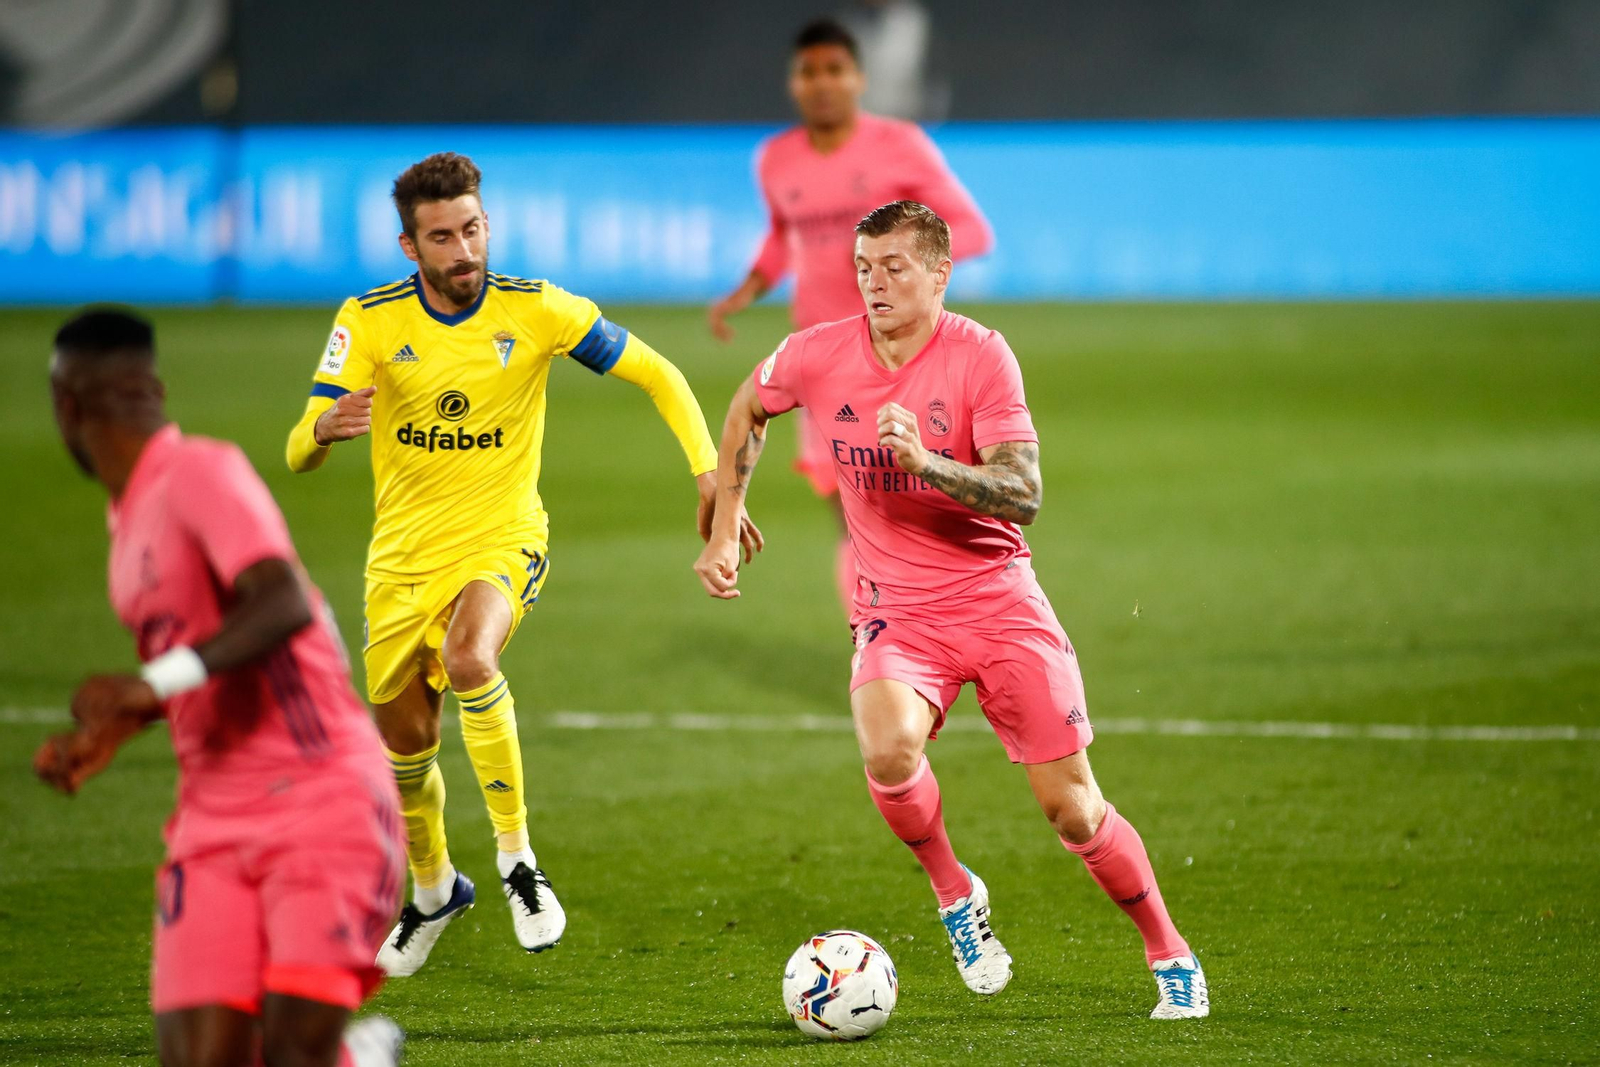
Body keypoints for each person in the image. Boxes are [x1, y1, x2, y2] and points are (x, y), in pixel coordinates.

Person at [695, 201, 1210, 1019]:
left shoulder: (981, 356)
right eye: (863, 268)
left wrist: (928, 462)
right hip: (896, 608)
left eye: (894, 267)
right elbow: (746, 407)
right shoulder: (818, 353)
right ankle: (954, 893)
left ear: (940, 273)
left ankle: (1168, 948)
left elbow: (1024, 492)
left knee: (1074, 809)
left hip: (999, 601)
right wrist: (726, 523)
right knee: (887, 749)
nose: (873, 284)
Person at [285, 151, 755, 978]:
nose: (464, 249)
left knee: (471, 655)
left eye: (472, 229)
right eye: (442, 237)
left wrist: (708, 471)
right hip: (399, 563)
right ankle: (435, 888)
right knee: (406, 749)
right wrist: (321, 431)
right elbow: (298, 449)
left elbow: (658, 372)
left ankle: (517, 861)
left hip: (502, 538)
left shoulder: (535, 309)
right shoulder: (369, 320)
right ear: (409, 246)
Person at [36, 308, 407, 1066]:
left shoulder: (200, 470)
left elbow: (281, 600)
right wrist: (118, 725)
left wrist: (149, 683)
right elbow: (201, 659)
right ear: (155, 388)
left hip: (317, 797)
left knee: (296, 1051)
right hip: (209, 819)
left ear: (65, 407)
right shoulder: (127, 515)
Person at [707, 18, 991, 615]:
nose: (822, 83)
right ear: (793, 82)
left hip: (905, 357)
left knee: (922, 510)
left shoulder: (900, 146)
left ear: (859, 78)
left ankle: (939, 626)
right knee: (852, 516)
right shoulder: (776, 159)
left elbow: (969, 229)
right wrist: (747, 289)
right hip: (825, 361)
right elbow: (783, 235)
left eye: (835, 70)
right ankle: (873, 639)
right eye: (808, 72)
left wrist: (900, 261)